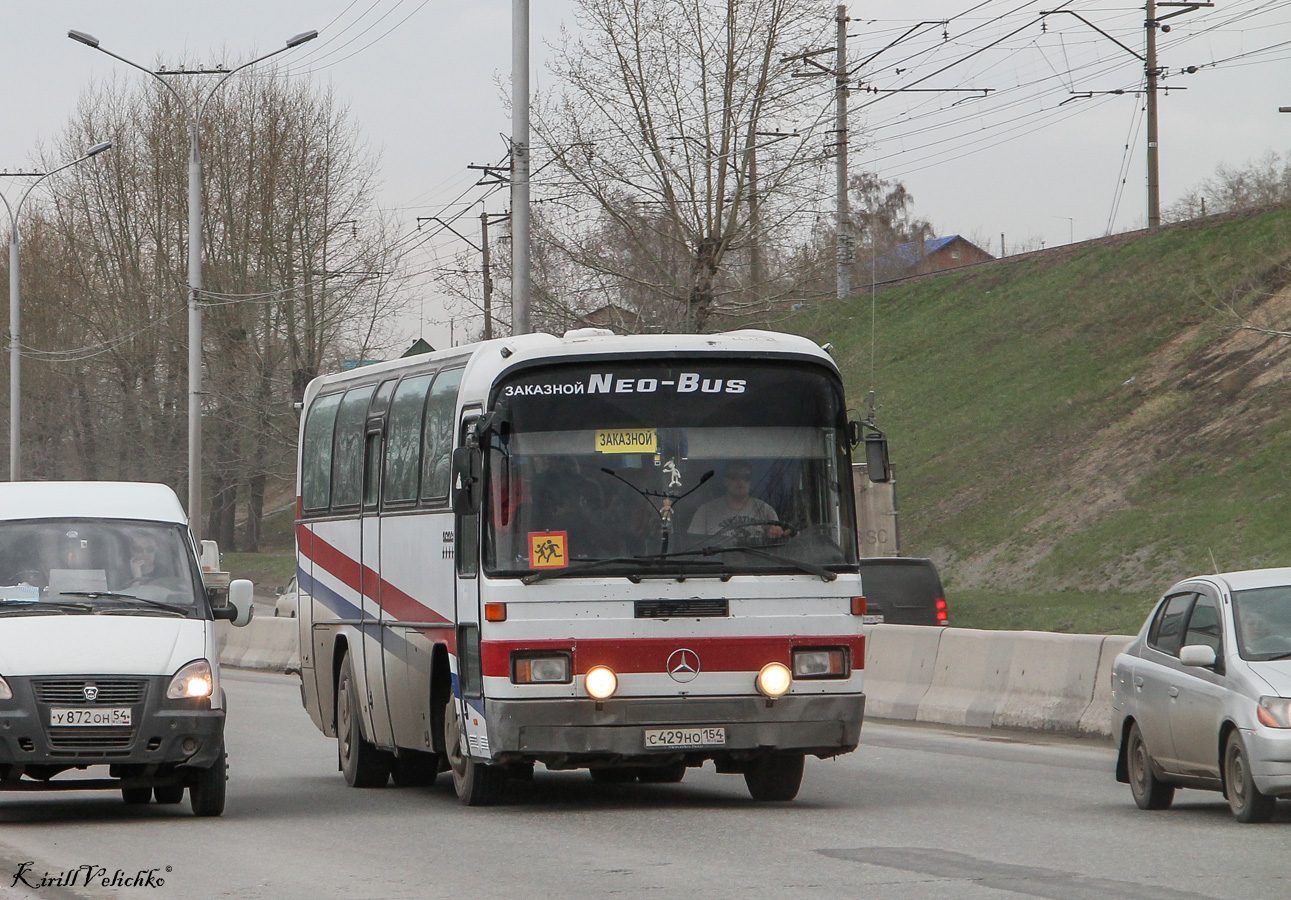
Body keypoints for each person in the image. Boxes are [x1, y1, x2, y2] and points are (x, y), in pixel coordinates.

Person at [687, 461, 786, 542]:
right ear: (725, 481)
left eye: (746, 477)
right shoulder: (705, 512)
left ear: (750, 482)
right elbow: (693, 545)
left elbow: (776, 544)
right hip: (717, 565)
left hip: (756, 565)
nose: (740, 481)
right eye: (734, 477)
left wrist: (776, 533)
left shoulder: (765, 511)